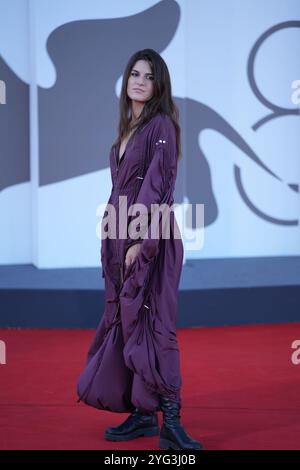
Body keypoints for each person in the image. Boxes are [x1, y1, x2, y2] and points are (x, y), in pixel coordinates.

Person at [77, 49, 203, 450]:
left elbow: (157, 188)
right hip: (121, 239)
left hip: (150, 240)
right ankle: (144, 413)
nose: (139, 81)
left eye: (149, 77)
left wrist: (138, 240)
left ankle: (172, 420)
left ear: (158, 85)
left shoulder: (161, 124)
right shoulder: (129, 127)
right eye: (134, 73)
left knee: (156, 327)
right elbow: (123, 188)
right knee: (130, 324)